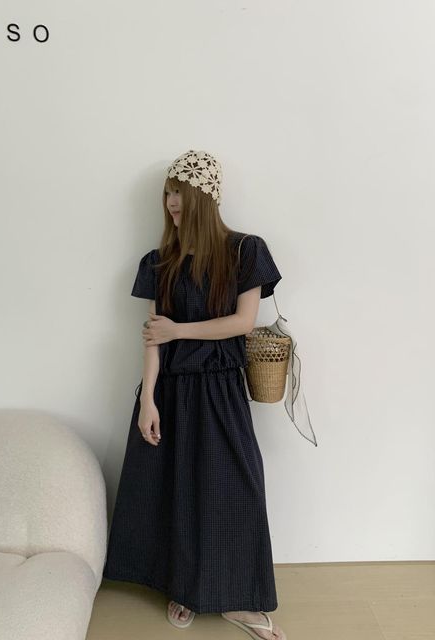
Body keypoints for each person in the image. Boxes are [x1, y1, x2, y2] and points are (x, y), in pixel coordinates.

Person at [103, 150, 287, 640]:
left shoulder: (245, 251)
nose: (172, 202)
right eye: (168, 192)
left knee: (237, 489)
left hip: (221, 387)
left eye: (181, 192)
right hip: (171, 388)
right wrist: (147, 399)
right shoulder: (159, 261)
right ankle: (181, 588)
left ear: (205, 196)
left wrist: (179, 329)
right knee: (177, 489)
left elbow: (243, 322)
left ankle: (239, 598)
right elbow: (153, 337)